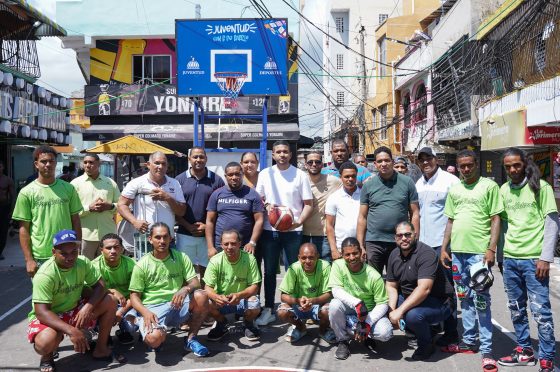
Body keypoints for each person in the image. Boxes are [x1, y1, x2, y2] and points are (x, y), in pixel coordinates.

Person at [440, 150, 503, 372]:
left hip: (478, 254)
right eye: (462, 166)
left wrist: (491, 249)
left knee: (481, 301)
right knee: (464, 298)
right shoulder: (455, 189)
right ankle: (469, 341)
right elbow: (450, 220)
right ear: (457, 167)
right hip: (457, 253)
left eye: (469, 165)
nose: (466, 169)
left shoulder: (489, 186)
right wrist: (444, 247)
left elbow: (496, 219)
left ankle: (487, 350)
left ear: (476, 164)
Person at [497, 148, 559, 372]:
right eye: (508, 166)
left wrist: (545, 257)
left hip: (534, 260)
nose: (513, 170)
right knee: (516, 308)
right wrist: (500, 256)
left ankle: (547, 357)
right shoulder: (504, 190)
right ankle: (524, 350)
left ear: (524, 164)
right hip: (511, 259)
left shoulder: (541, 188)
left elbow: (552, 223)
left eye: (516, 165)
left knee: (541, 311)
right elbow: (502, 225)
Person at [27, 229, 122, 372]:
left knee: (110, 300)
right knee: (45, 342)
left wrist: (87, 307)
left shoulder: (82, 262)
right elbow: (41, 312)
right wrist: (71, 331)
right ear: (54, 252)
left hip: (73, 309)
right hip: (51, 315)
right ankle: (47, 357)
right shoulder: (45, 275)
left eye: (74, 252)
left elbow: (101, 286)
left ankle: (101, 349)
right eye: (63, 253)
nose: (70, 257)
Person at [255, 140, 313, 326]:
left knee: (294, 270)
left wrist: (297, 222)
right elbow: (259, 198)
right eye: (278, 151)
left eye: (285, 151)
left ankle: (292, 307)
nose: (282, 154)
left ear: (290, 154)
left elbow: (308, 205)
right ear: (273, 155)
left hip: (293, 232)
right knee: (270, 271)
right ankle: (269, 308)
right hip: (269, 230)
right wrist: (267, 205)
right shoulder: (265, 174)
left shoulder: (300, 175)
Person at [129, 222, 210, 356]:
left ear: (171, 238)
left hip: (177, 304)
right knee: (154, 340)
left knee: (202, 295)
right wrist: (145, 312)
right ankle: (145, 324)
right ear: (150, 239)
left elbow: (195, 283)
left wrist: (185, 289)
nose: (162, 241)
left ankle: (191, 339)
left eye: (165, 237)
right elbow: (134, 296)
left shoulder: (181, 257)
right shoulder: (142, 264)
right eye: (158, 237)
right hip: (153, 308)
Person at [386, 222, 457, 360]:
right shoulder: (394, 254)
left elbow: (424, 289)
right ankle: (425, 329)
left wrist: (399, 312)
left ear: (415, 235)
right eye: (400, 235)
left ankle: (426, 344)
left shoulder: (426, 253)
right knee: (384, 307)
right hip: (413, 298)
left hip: (440, 301)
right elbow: (391, 286)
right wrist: (391, 310)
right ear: (395, 238)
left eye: (407, 234)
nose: (404, 238)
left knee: (413, 316)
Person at [12, 146, 82, 277]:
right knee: (42, 297)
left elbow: (76, 220)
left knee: (68, 295)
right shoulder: (26, 192)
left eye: (51, 161)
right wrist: (29, 259)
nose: (48, 164)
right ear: (36, 164)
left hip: (66, 252)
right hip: (40, 256)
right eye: (44, 161)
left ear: (56, 163)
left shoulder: (69, 189)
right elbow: (24, 229)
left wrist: (75, 249)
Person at [357, 146, 420, 274]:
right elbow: (362, 217)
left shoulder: (407, 182)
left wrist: (415, 239)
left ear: (392, 161)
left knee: (399, 278)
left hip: (400, 240)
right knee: (373, 279)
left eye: (387, 160)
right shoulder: (368, 185)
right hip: (374, 241)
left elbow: (415, 213)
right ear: (375, 164)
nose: (383, 164)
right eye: (379, 161)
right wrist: (360, 244)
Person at [328, 237, 393, 360]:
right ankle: (343, 340)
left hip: (368, 312)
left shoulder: (374, 275)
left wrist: (367, 323)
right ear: (342, 255)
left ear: (361, 253)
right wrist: (357, 303)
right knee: (334, 305)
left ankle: (365, 335)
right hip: (350, 310)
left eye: (355, 253)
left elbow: (383, 304)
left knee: (385, 333)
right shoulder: (337, 265)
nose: (352, 257)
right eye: (347, 254)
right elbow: (335, 290)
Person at [118, 151, 186, 254]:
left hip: (167, 239)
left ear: (167, 166)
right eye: (157, 163)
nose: (160, 166)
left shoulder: (174, 183)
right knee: (145, 270)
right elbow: (121, 205)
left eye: (163, 164)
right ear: (148, 165)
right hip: (144, 239)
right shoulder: (137, 183)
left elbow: (181, 211)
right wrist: (134, 221)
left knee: (169, 270)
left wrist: (167, 197)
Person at [203, 229, 262, 342]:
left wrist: (239, 295)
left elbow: (254, 287)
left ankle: (248, 323)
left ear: (240, 244)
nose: (229, 247)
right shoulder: (215, 260)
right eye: (226, 244)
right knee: (205, 302)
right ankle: (222, 324)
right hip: (222, 300)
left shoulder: (250, 259)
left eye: (233, 243)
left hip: (242, 299)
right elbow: (207, 287)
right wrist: (217, 297)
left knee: (254, 303)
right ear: (221, 245)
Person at [176, 146, 225, 280]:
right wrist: (187, 226)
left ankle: (206, 300)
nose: (198, 160)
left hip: (208, 236)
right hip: (184, 234)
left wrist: (207, 226)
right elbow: (174, 208)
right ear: (189, 159)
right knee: (186, 272)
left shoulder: (217, 180)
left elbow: (221, 209)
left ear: (206, 159)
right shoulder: (179, 180)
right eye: (195, 157)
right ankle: (188, 300)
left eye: (201, 157)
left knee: (208, 272)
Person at [277, 243, 335, 344]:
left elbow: (329, 294)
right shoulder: (293, 268)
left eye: (311, 257)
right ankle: (300, 327)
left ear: (317, 256)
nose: (307, 261)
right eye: (304, 258)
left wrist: (312, 301)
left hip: (318, 305)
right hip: (298, 305)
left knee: (330, 310)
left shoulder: (325, 266)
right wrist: (298, 301)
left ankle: (323, 330)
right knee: (282, 312)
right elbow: (283, 296)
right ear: (299, 258)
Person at [206, 162, 264, 257]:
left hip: (245, 246)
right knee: (221, 272)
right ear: (225, 176)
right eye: (230, 175)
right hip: (221, 246)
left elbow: (259, 220)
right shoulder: (217, 194)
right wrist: (210, 247)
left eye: (237, 174)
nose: (234, 177)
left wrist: (252, 243)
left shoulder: (252, 194)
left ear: (243, 175)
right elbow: (210, 221)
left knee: (245, 272)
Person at [71, 154, 121, 259]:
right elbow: (71, 210)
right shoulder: (75, 184)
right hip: (85, 235)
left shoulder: (110, 183)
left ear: (99, 164)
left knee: (107, 266)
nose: (88, 165)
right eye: (85, 162)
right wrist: (89, 208)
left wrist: (110, 206)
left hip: (107, 234)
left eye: (91, 162)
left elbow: (121, 206)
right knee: (86, 266)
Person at [92, 233, 137, 345]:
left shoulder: (132, 264)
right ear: (101, 250)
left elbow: (137, 293)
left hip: (127, 303)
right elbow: (89, 293)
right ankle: (104, 334)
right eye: (108, 248)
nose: (113, 251)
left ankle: (124, 331)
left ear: (122, 249)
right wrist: (111, 291)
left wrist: (120, 312)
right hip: (104, 303)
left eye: (116, 247)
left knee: (131, 327)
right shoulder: (94, 266)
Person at [303, 151, 342, 262]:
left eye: (317, 162)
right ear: (305, 164)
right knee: (307, 270)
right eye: (310, 162)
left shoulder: (334, 181)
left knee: (326, 268)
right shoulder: (301, 181)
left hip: (325, 235)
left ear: (322, 164)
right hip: (303, 234)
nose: (314, 164)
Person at [325, 162, 360, 260]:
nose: (350, 179)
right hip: (341, 248)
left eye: (353, 176)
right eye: (347, 176)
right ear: (341, 177)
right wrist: (334, 249)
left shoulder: (364, 195)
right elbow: (329, 225)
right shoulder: (334, 198)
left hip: (360, 247)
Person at [0, 160, 15, 260]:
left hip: (3, 208)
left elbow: (13, 196)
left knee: (2, 231)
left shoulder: (7, 180)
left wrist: (12, 210)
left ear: (3, 167)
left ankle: (0, 251)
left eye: (0, 166)